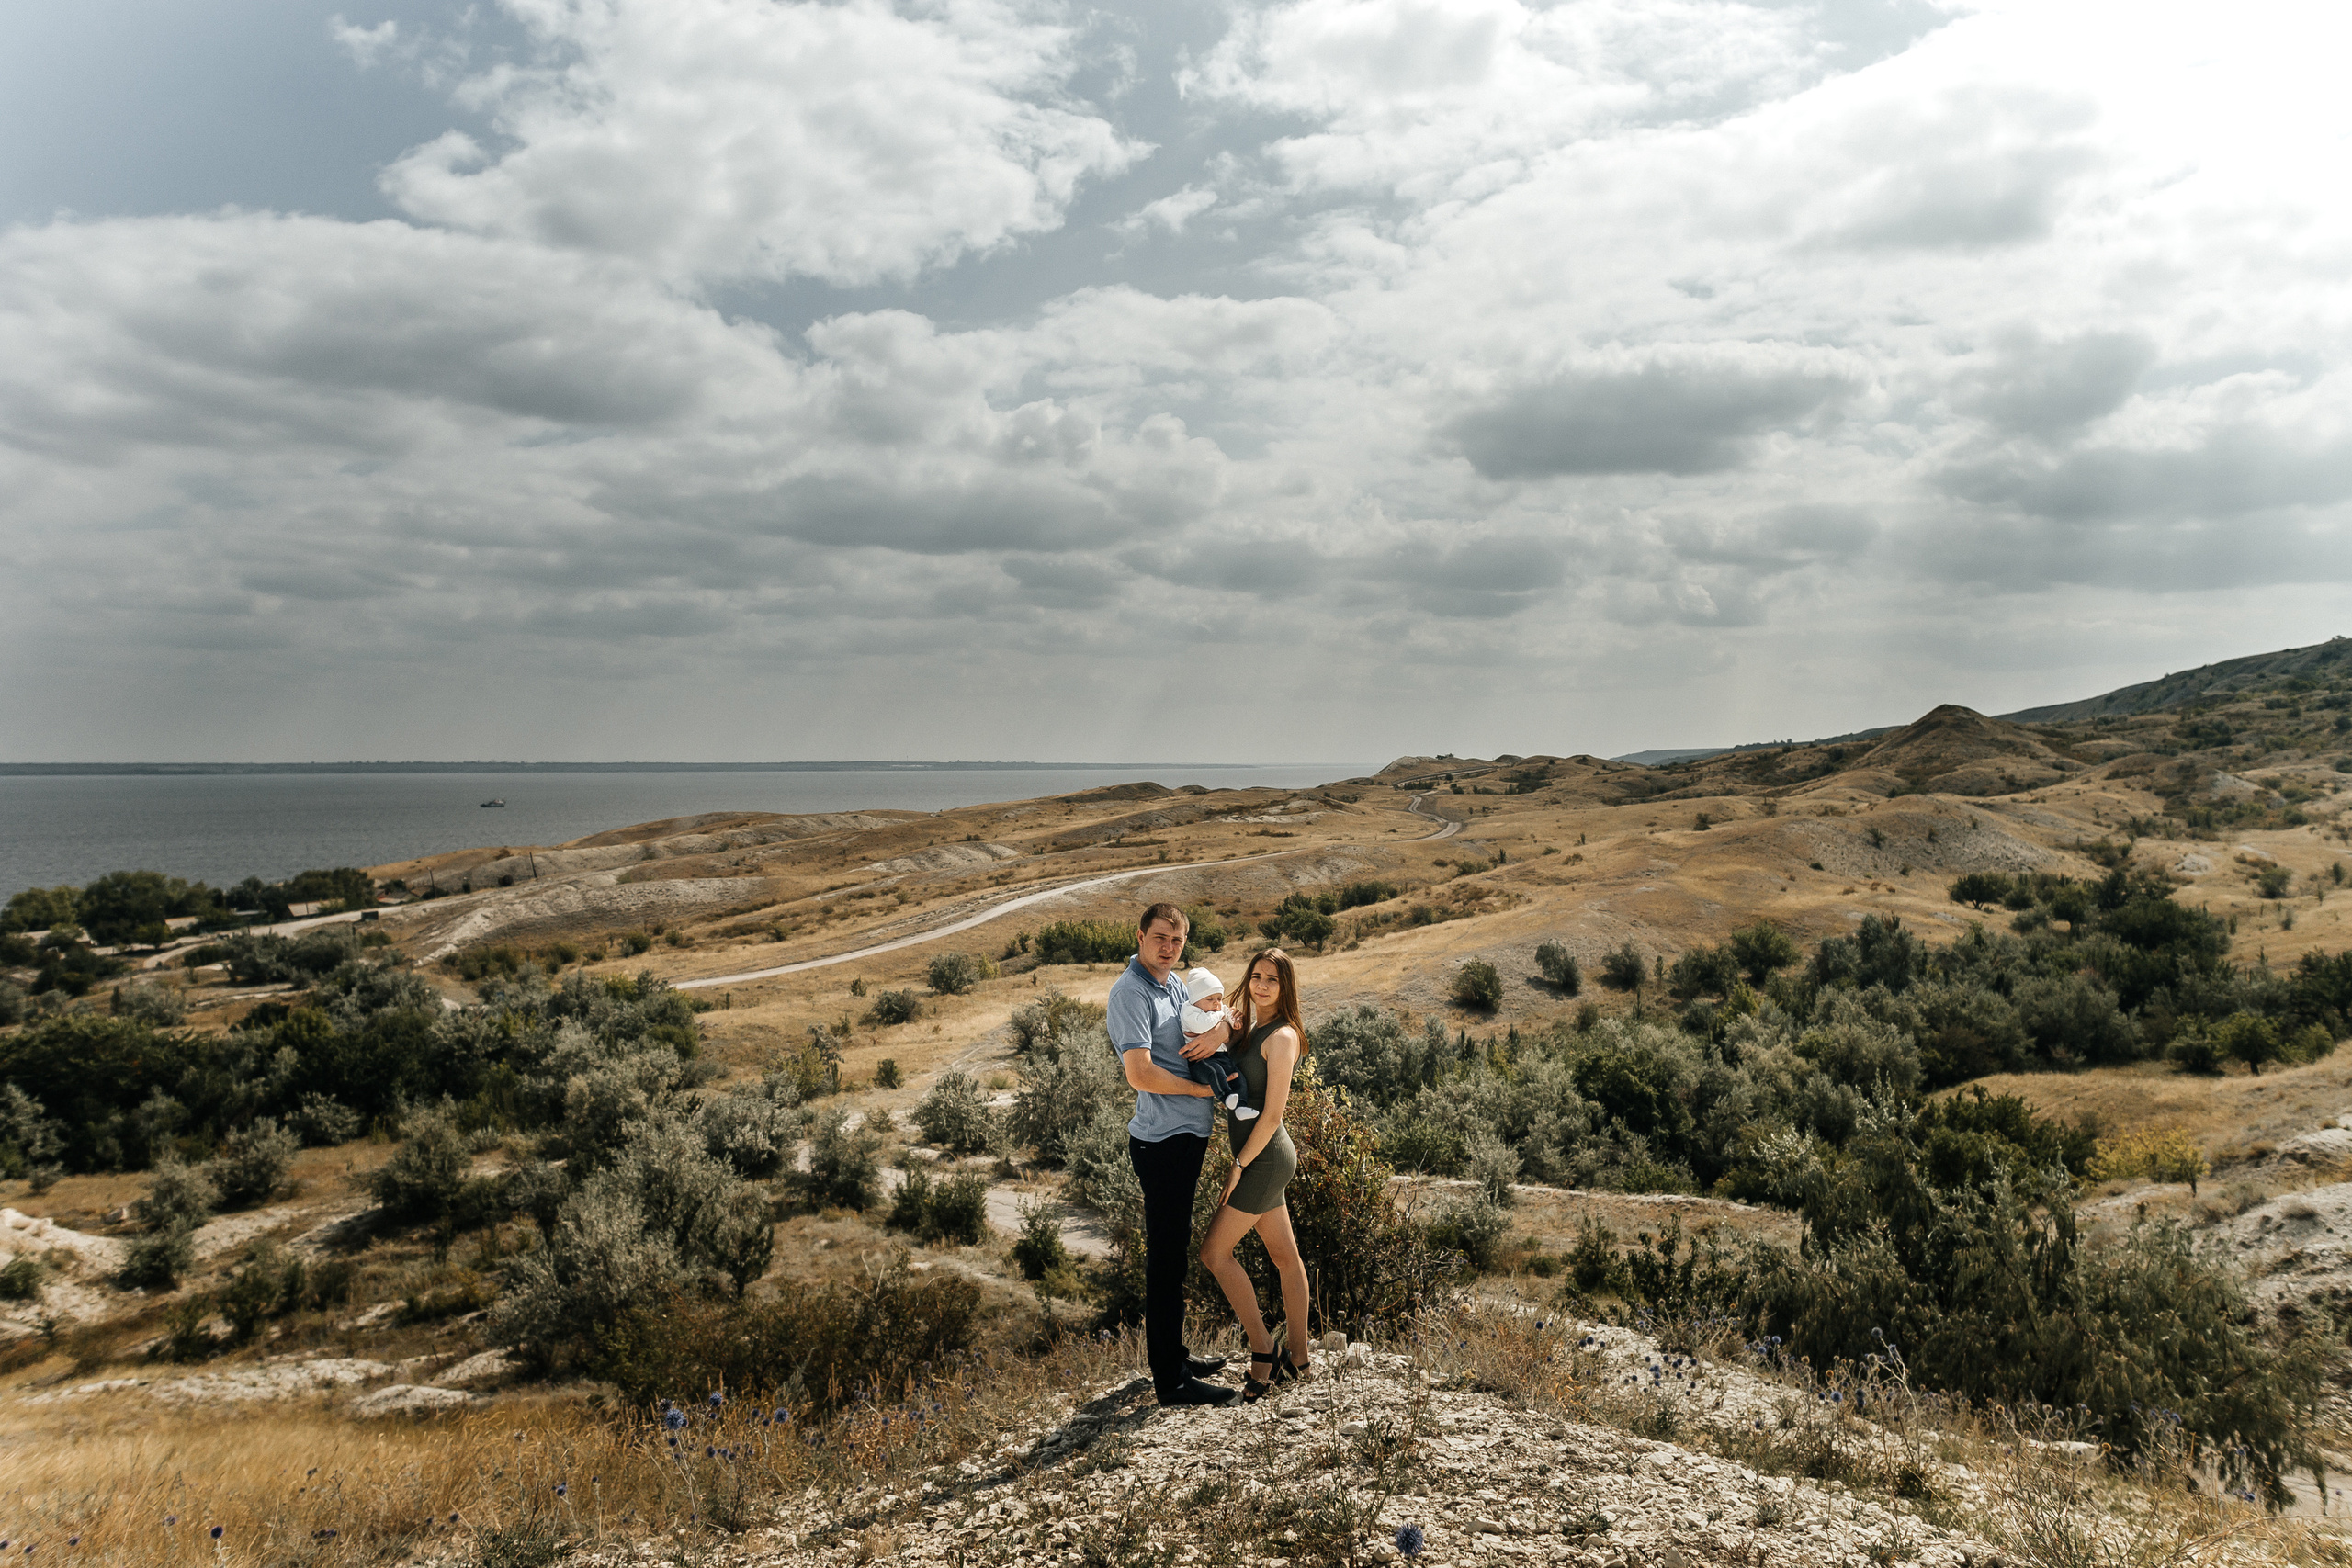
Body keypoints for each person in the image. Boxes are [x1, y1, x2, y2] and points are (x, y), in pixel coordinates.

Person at [1109, 902, 1239, 1407]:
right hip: (1160, 1140)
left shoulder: (1175, 987)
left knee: (1176, 1252)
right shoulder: (1131, 992)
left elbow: (1223, 1021)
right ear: (1140, 935)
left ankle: (1176, 1357)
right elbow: (1139, 1074)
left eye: (1177, 941)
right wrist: (1200, 1093)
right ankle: (1171, 1380)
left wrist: (1220, 1034)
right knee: (1166, 1259)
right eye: (1161, 937)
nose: (1169, 947)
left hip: (1185, 1137)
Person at [1197, 945, 1311, 1402]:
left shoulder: (1282, 1037)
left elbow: (1272, 1116)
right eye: (1257, 976)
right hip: (1255, 1157)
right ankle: (1299, 1361)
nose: (1262, 985)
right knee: (1284, 1256)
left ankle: (1265, 1351)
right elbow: (1214, 1020)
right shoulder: (1250, 1025)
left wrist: (1238, 1167)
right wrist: (1225, 1024)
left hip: (1263, 1158)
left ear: (1285, 988)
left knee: (1213, 1253)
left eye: (1273, 979)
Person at [1178, 965, 1257, 1119]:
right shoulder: (1189, 1011)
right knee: (1215, 1072)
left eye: (1219, 999)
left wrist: (1234, 1023)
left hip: (1222, 1057)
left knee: (1238, 1077)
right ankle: (1226, 1096)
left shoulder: (1216, 1010)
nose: (1216, 1004)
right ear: (1196, 1000)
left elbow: (1228, 1014)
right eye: (1210, 999)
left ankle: (1241, 1107)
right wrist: (1222, 1016)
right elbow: (1202, 1024)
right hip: (1201, 1061)